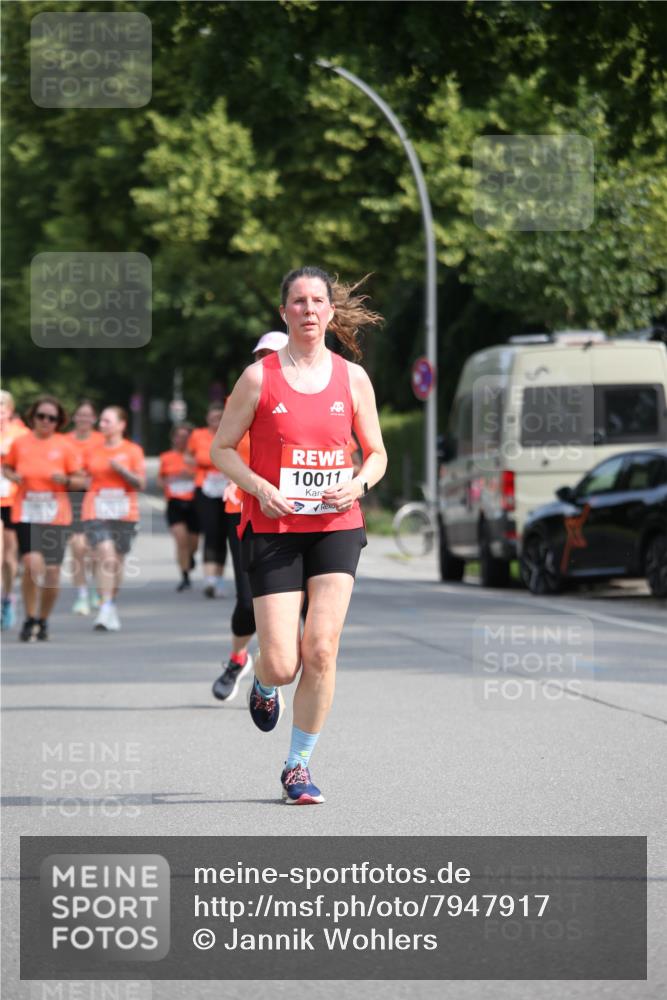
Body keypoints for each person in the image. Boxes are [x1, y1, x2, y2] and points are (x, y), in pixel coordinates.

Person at [210, 266, 386, 804]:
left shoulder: (352, 378)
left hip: (335, 524)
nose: (309, 310)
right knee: (284, 662)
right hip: (274, 525)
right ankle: (263, 682)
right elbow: (221, 449)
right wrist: (260, 487)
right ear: (284, 311)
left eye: (318, 301)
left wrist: (356, 484)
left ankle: (298, 766)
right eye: (299, 302)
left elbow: (377, 454)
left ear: (331, 312)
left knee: (323, 649)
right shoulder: (259, 377)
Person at [212, 331, 288, 702]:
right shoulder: (241, 394)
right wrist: (235, 480)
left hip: (296, 513)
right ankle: (237, 658)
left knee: (295, 605)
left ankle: (275, 672)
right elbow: (226, 447)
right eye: (260, 355)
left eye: (273, 355)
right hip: (243, 505)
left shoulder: (310, 393)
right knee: (248, 603)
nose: (265, 361)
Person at [2, 395, 84, 641]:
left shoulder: (66, 446)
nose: (46, 421)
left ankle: (43, 618)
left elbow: (81, 479)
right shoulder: (21, 443)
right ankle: (29, 616)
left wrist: (68, 481)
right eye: (41, 416)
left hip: (56, 515)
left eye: (52, 418)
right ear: (33, 417)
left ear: (58, 422)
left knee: (52, 572)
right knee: (32, 564)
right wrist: (12, 475)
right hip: (27, 511)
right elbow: (7, 466)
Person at [81, 406, 146, 632]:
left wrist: (121, 471)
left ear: (121, 424)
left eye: (107, 421)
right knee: (106, 554)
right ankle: (105, 606)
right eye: (101, 421)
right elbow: (82, 476)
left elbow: (140, 483)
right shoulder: (93, 450)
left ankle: (110, 603)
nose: (102, 424)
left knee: (116, 561)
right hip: (96, 510)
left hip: (124, 512)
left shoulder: (132, 450)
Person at [66, 400, 104, 615]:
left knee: (96, 550)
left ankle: (96, 589)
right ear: (74, 418)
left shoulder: (101, 440)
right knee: (78, 547)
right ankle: (81, 594)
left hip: (98, 498)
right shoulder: (64, 441)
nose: (83, 419)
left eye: (88, 415)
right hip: (72, 497)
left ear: (94, 419)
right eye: (80, 415)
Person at [188, 404, 228, 598]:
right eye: (213, 418)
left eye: (220, 417)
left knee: (224, 533)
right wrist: (204, 461)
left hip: (228, 487)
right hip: (205, 487)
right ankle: (209, 579)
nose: (216, 421)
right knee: (211, 530)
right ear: (207, 419)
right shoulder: (198, 435)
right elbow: (188, 457)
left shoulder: (232, 432)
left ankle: (219, 578)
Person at [158, 423, 199, 591]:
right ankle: (185, 576)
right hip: (174, 502)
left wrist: (189, 475)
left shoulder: (196, 457)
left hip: (195, 502)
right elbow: (161, 479)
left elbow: (205, 475)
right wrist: (169, 480)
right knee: (181, 539)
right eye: (178, 436)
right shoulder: (166, 457)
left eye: (185, 437)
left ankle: (190, 556)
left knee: (193, 543)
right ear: (173, 438)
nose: (181, 440)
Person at [0, 390, 29, 630]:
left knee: (9, 558)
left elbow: (31, 462)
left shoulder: (21, 434)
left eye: (2, 406)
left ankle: (8, 597)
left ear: (10, 409)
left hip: (12, 499)